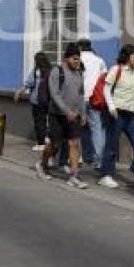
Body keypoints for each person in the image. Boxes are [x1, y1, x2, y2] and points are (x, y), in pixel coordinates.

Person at [99, 44, 134, 190]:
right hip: (117, 112)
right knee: (112, 145)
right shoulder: (116, 69)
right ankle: (106, 175)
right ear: (127, 56)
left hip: (131, 115)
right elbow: (106, 88)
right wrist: (111, 107)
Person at [35, 44, 88, 189]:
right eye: (74, 59)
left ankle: (74, 176)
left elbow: (81, 95)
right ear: (66, 58)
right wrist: (66, 111)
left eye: (78, 59)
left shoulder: (79, 73)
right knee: (55, 144)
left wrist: (83, 113)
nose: (77, 62)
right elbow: (55, 94)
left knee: (74, 143)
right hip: (57, 115)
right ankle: (42, 164)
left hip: (74, 116)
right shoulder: (57, 72)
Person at [78, 38, 107, 169]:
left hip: (79, 98)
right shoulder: (99, 60)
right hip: (95, 98)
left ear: (79, 47)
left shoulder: (77, 59)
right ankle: (99, 160)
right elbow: (105, 79)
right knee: (97, 129)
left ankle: (80, 156)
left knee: (78, 127)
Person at [15, 52, 52, 151]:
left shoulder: (36, 71)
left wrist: (19, 92)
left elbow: (28, 83)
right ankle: (46, 137)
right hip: (48, 100)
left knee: (39, 122)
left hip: (37, 100)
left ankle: (41, 143)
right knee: (46, 120)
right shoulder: (51, 70)